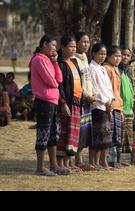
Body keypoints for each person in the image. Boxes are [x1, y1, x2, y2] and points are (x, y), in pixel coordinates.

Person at [30, 35, 68, 176]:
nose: (54, 49)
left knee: (53, 134)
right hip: (44, 102)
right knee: (43, 134)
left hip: (52, 101)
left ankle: (54, 165)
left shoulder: (49, 60)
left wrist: (55, 63)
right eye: (52, 45)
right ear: (44, 45)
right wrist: (55, 81)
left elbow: (59, 79)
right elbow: (51, 81)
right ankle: (40, 167)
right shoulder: (39, 59)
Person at [56, 34, 83, 173]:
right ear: (62, 47)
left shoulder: (75, 62)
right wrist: (63, 103)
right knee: (64, 134)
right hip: (67, 103)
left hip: (77, 102)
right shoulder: (60, 64)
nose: (73, 49)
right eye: (70, 47)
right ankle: (60, 164)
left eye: (74, 47)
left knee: (73, 134)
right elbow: (59, 86)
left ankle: (68, 163)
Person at [89, 43, 115, 170]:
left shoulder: (103, 69)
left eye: (104, 54)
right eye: (100, 53)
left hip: (107, 106)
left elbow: (108, 88)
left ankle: (102, 162)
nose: (102, 56)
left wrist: (111, 102)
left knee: (106, 136)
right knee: (98, 136)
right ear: (93, 53)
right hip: (98, 106)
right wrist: (105, 101)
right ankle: (93, 162)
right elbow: (95, 89)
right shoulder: (91, 68)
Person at [73, 32, 95, 171]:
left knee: (84, 131)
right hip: (80, 99)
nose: (86, 45)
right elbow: (77, 82)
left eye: (88, 42)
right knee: (77, 131)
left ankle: (79, 160)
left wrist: (92, 94)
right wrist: (86, 95)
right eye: (83, 42)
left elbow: (88, 79)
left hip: (88, 101)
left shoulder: (85, 58)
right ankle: (75, 161)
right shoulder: (74, 59)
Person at [104, 46, 124, 168]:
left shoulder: (116, 69)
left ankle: (115, 160)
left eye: (119, 56)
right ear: (109, 56)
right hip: (110, 105)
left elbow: (117, 91)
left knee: (117, 135)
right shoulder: (106, 69)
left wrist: (120, 108)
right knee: (110, 135)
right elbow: (107, 89)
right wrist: (110, 106)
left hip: (118, 105)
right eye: (115, 56)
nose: (118, 59)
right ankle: (109, 161)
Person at [119, 47, 134, 163]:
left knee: (127, 136)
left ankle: (121, 160)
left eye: (128, 55)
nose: (125, 57)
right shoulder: (116, 70)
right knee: (118, 135)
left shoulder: (128, 70)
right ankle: (115, 160)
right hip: (119, 107)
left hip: (129, 108)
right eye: (123, 54)